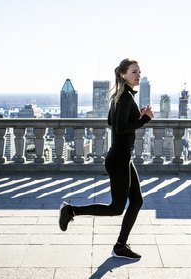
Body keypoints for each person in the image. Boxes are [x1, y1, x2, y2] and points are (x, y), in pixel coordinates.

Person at [59, 58, 154, 260]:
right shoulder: (125, 98)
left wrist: (138, 118)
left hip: (122, 158)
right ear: (122, 75)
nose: (138, 75)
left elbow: (112, 121)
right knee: (116, 208)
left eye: (139, 72)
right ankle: (70, 210)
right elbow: (119, 128)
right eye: (134, 72)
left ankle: (120, 246)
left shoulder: (122, 96)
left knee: (136, 201)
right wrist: (144, 119)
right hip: (119, 159)